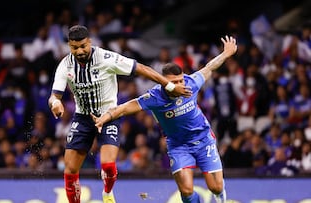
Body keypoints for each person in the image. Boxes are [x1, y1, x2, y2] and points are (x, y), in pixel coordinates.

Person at [48, 25, 191, 203]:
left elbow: (141, 69)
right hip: (83, 118)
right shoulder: (65, 64)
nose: (80, 51)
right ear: (69, 46)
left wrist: (169, 86)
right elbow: (55, 95)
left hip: (110, 116)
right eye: (75, 47)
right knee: (69, 170)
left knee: (107, 165)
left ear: (90, 42)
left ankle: (107, 193)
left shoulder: (106, 58)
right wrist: (55, 103)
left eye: (83, 46)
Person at [93, 36, 237, 203]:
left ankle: (221, 198)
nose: (180, 85)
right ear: (163, 83)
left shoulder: (191, 83)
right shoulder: (154, 97)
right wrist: (105, 117)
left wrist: (226, 54)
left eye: (181, 80)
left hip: (203, 139)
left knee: (216, 187)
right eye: (174, 82)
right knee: (187, 190)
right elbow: (125, 108)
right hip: (178, 146)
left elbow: (208, 68)